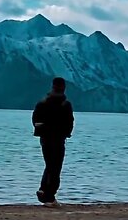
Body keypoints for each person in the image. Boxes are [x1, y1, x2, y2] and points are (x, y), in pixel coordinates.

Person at [32, 77, 74, 208]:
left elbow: (35, 119)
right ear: (63, 87)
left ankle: (44, 190)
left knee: (50, 165)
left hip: (44, 139)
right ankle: (49, 196)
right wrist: (66, 133)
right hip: (58, 139)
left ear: (53, 86)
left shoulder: (42, 103)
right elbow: (70, 122)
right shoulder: (65, 104)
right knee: (55, 168)